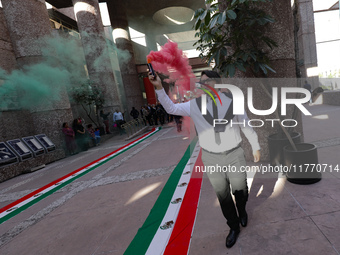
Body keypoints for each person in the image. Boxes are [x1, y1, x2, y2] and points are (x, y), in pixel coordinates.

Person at [148, 70, 261, 249]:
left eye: (208, 81)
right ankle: (233, 227)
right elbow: (171, 108)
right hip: (211, 156)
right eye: (202, 82)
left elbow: (246, 124)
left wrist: (255, 145)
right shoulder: (194, 105)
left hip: (234, 153)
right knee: (223, 195)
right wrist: (159, 87)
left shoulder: (233, 103)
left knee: (241, 190)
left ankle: (242, 210)